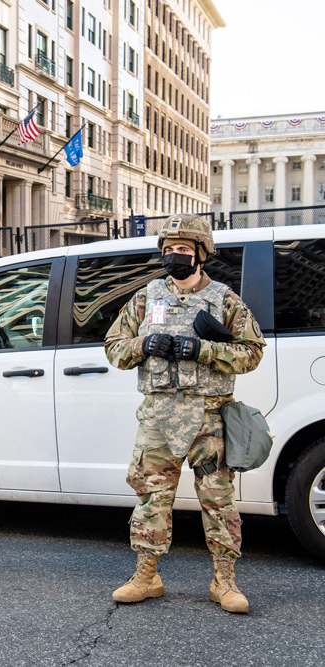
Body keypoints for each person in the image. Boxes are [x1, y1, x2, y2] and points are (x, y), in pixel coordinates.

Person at [104, 215, 266, 614]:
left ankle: (223, 581)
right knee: (151, 499)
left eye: (182, 251)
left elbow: (253, 352)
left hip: (209, 418)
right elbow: (113, 346)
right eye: (169, 251)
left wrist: (206, 351)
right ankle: (147, 575)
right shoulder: (147, 297)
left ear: (200, 254)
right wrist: (145, 344)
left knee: (219, 501)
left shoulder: (225, 300)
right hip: (159, 417)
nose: (174, 257)